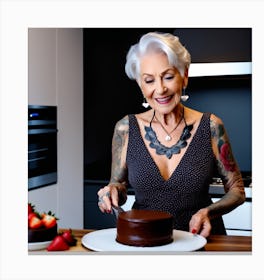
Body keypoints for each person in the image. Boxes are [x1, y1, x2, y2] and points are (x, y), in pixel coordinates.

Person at [97, 31, 245, 237]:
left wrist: (208, 212)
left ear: (184, 76)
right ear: (140, 84)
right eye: (149, 80)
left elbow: (237, 190)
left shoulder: (211, 126)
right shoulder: (126, 128)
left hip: (201, 240)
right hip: (146, 240)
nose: (160, 89)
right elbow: (118, 185)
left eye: (168, 77)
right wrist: (110, 192)